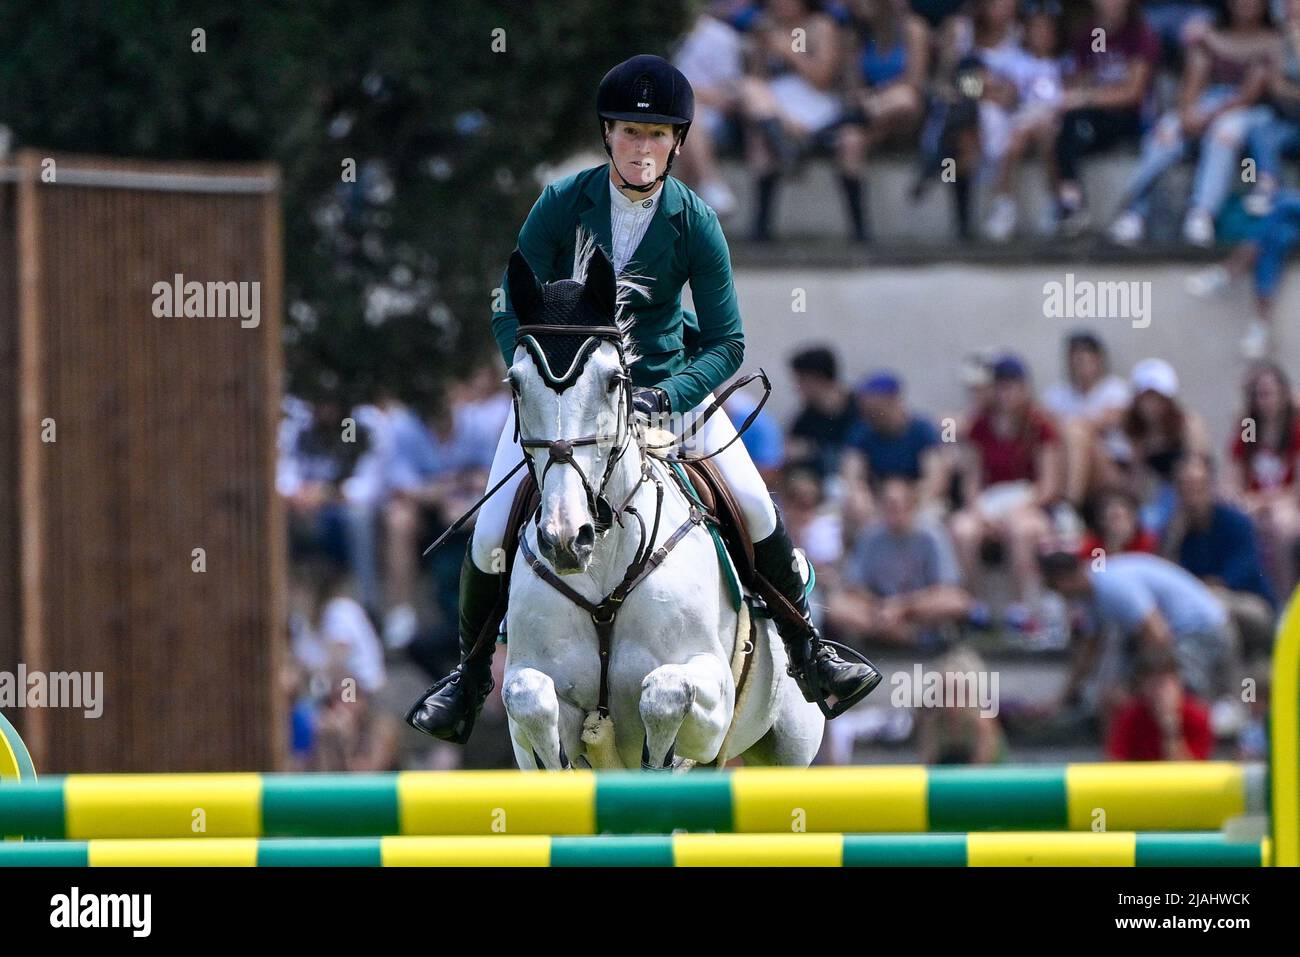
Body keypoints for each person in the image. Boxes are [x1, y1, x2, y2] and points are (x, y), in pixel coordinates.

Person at [407, 54, 882, 743]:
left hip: (668, 388)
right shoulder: (560, 204)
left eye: (656, 135)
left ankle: (810, 653)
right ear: (608, 136)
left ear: (678, 143)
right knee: (487, 533)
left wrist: (669, 394)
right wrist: (537, 371)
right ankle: (469, 675)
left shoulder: (694, 222)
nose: (641, 148)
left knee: (750, 501)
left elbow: (727, 342)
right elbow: (509, 303)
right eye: (629, 132)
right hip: (566, 399)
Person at [1109, 0, 1279, 247]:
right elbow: (1191, 86)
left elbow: (1249, 95)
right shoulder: (1207, 34)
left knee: (1225, 132)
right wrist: (1187, 114)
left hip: (1250, 113)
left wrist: (1208, 117)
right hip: (1209, 104)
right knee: (1165, 130)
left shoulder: (1273, 39)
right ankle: (1133, 211)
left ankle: (1201, 214)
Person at [1040, 549, 1233, 703]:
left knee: (1172, 693)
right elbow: (1089, 651)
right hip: (1173, 634)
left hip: (1200, 631)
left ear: (1065, 578)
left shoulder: (1112, 585)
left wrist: (1136, 684)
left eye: (1055, 587)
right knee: (1119, 694)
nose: (1058, 595)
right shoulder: (1089, 597)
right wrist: (1061, 699)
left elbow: (1158, 635)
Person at [1052, 0, 1161, 235]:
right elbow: (1082, 79)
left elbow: (1133, 93)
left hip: (1130, 118)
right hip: (1092, 116)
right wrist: (1072, 95)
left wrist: (1088, 97)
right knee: (1065, 127)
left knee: (1077, 125)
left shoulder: (1140, 35)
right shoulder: (1091, 34)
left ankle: (1074, 205)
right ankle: (1071, 204)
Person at [827, 476, 972, 648]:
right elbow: (854, 586)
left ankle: (896, 635)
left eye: (900, 506)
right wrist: (881, 607)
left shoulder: (932, 535)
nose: (895, 512)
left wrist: (903, 607)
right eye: (889, 506)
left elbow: (948, 588)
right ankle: (904, 636)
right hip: (878, 609)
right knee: (836, 607)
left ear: (912, 506)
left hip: (918, 609)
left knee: (957, 602)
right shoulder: (870, 536)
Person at [1162, 453, 1277, 656]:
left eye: (1198, 486)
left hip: (1251, 606)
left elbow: (1242, 570)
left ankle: (1229, 680)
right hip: (1198, 603)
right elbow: (1164, 577)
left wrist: (1205, 586)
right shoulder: (1175, 531)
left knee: (1216, 606)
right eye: (1185, 487)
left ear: (1210, 486)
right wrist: (1174, 539)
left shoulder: (1235, 522)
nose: (1192, 494)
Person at [1042, 330, 1131, 505]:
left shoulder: (1117, 390)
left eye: (1083, 359)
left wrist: (1070, 425)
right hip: (1065, 464)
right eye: (1074, 359)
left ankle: (1070, 503)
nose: (1078, 365)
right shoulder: (1056, 395)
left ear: (1098, 360)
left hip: (1111, 468)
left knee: (1077, 432)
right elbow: (1045, 428)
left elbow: (1104, 422)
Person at [1105, 642, 1215, 760]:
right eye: (1152, 684)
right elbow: (1116, 763)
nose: (1159, 692)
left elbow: (1190, 773)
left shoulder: (1197, 716)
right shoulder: (1130, 716)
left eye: (1163, 683)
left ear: (1178, 682)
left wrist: (1171, 730)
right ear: (1142, 686)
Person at [785, 345, 861, 480]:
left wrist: (813, 451)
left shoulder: (860, 411)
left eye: (801, 381)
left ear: (818, 378)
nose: (797, 389)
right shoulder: (805, 419)